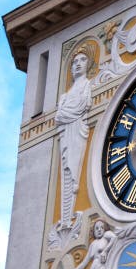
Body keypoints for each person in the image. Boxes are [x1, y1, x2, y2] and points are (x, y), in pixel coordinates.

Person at [55, 47, 92, 228]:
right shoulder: (64, 96)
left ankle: (68, 219)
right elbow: (58, 117)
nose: (78, 64)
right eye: (75, 62)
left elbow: (83, 105)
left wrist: (66, 113)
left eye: (82, 60)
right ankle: (65, 219)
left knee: (74, 171)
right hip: (66, 134)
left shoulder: (87, 86)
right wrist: (66, 113)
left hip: (78, 130)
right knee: (66, 172)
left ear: (89, 64)